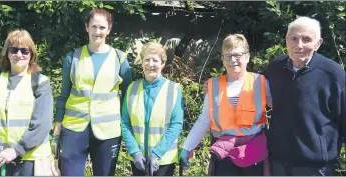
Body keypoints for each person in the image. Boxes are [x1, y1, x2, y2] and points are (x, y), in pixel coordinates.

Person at [52, 8, 133, 176]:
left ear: (109, 29)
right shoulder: (72, 58)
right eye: (94, 26)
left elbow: (128, 99)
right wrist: (57, 128)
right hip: (73, 129)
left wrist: (127, 129)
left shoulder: (120, 59)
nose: (98, 32)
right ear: (86, 27)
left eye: (102, 28)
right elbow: (63, 96)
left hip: (108, 130)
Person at [263, 16, 346, 176]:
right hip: (278, 163)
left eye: (306, 39)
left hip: (316, 167)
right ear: (286, 40)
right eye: (293, 38)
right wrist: (216, 86)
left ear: (318, 44)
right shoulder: (275, 68)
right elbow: (252, 91)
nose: (299, 45)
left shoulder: (333, 74)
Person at [179, 34, 272, 176]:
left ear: (247, 57)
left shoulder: (260, 82)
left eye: (237, 55)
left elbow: (280, 108)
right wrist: (187, 147)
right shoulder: (213, 85)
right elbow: (204, 120)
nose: (233, 60)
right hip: (224, 154)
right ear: (222, 59)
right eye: (227, 56)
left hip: (253, 153)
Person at [0, 29, 57, 176]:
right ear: (7, 53)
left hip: (31, 161)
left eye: (24, 51)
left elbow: (42, 123)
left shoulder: (40, 82)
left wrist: (16, 150)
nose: (19, 55)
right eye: (13, 49)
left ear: (31, 54)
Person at [121, 42, 184, 176]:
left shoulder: (173, 89)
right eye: (147, 60)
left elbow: (176, 124)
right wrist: (134, 152)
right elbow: (125, 123)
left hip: (163, 161)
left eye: (155, 60)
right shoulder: (131, 88)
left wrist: (157, 153)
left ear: (162, 63)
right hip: (138, 160)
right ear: (142, 62)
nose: (150, 64)